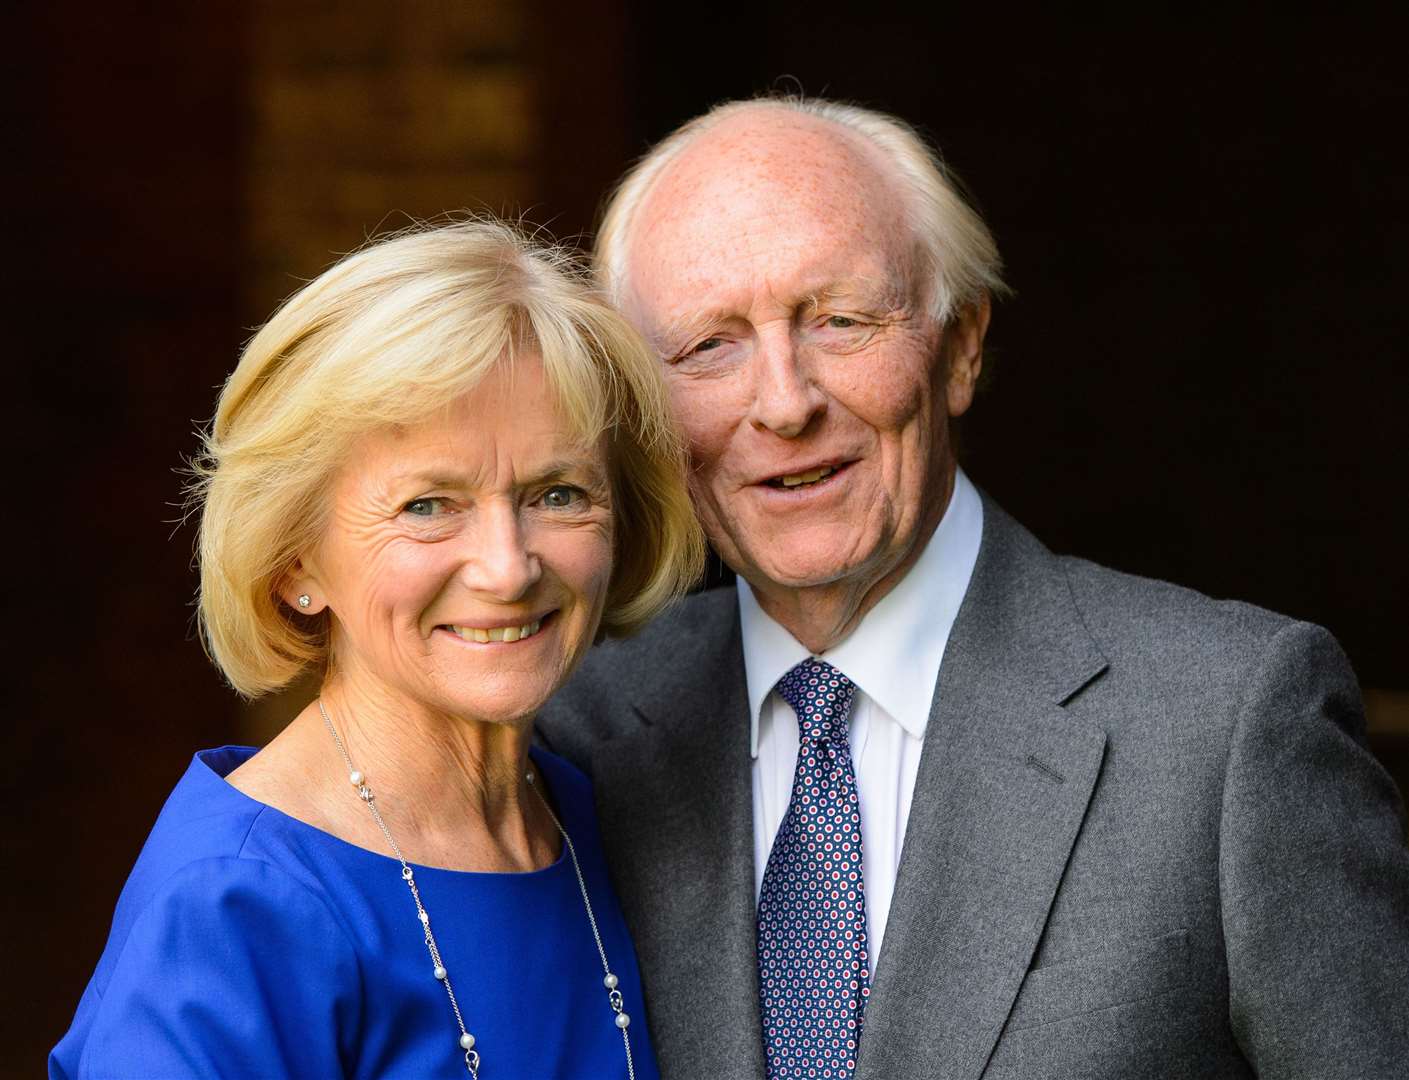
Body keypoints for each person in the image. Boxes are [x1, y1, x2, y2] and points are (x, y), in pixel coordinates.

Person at [538, 96, 1409, 1079]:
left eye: (838, 319)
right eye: (708, 346)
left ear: (959, 348)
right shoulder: (575, 733)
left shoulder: (1228, 720)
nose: (782, 404)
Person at [50, 218, 703, 1079]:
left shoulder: (596, 819)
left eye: (557, 492)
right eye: (428, 505)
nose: (508, 568)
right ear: (293, 564)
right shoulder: (233, 903)